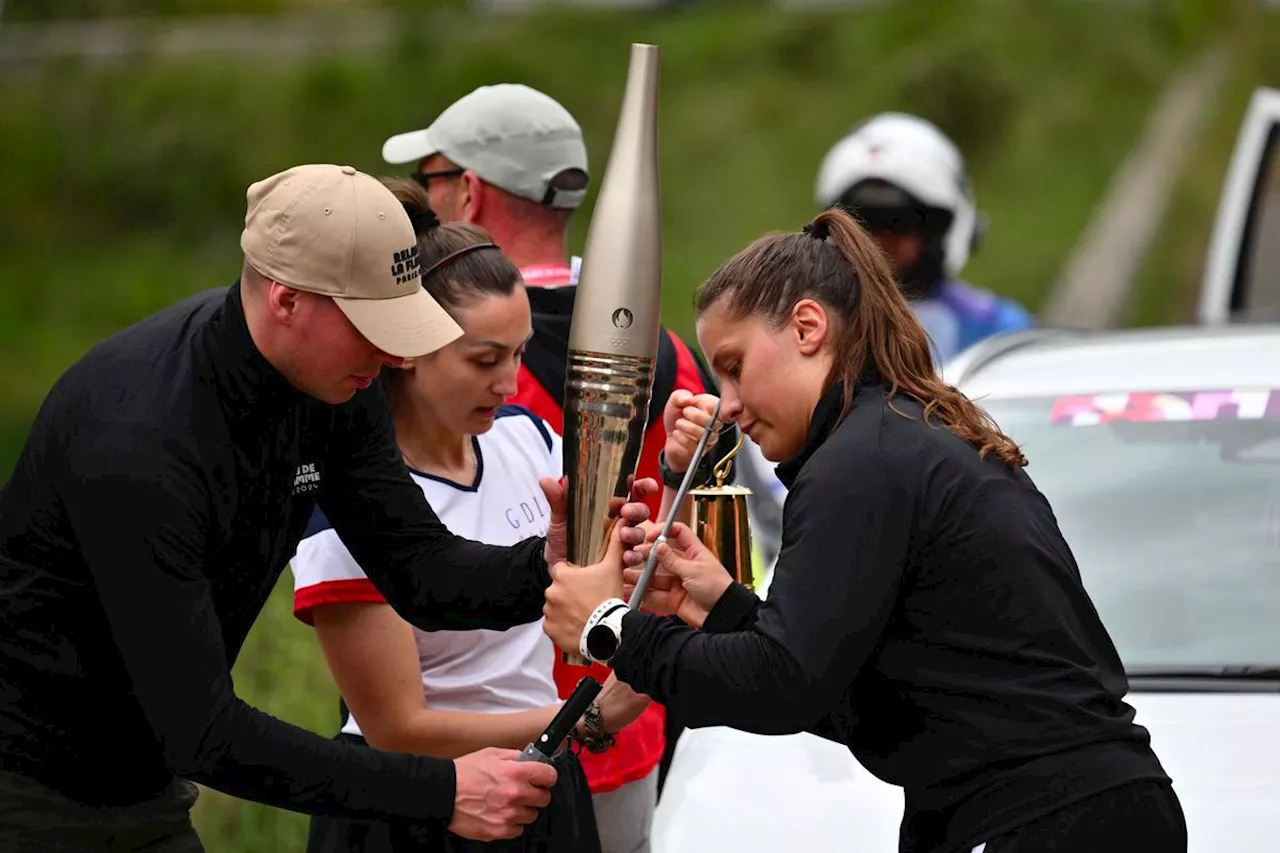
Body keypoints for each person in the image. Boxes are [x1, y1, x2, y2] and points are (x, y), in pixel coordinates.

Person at [0, 163, 655, 853]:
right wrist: (440, 791)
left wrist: (545, 562)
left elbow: (424, 574)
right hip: (29, 787)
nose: (391, 351)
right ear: (286, 299)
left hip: (147, 783)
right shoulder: (142, 442)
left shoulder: (338, 381)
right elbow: (202, 730)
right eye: (372, 323)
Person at [540, 206, 1188, 853]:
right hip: (1074, 809)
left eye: (734, 365)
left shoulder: (859, 459)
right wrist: (722, 606)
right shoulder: (892, 433)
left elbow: (783, 685)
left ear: (807, 327)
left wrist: (609, 625)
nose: (727, 404)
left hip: (1051, 818)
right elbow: (847, 692)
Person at [381, 83, 727, 840]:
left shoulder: (442, 360)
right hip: (637, 725)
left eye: (433, 180)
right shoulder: (669, 352)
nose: (499, 380)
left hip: (497, 758)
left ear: (466, 189)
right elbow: (704, 541)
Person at [290, 179, 652, 853]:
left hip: (540, 786)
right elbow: (399, 726)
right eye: (485, 360)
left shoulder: (530, 439)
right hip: (419, 810)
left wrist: (638, 568)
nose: (510, 383)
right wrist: (584, 719)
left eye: (518, 353)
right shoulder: (352, 506)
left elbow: (582, 611)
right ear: (407, 348)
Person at [735, 111, 1037, 576]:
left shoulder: (1001, 331)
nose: (879, 242)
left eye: (900, 223)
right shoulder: (800, 331)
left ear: (939, 230)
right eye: (862, 224)